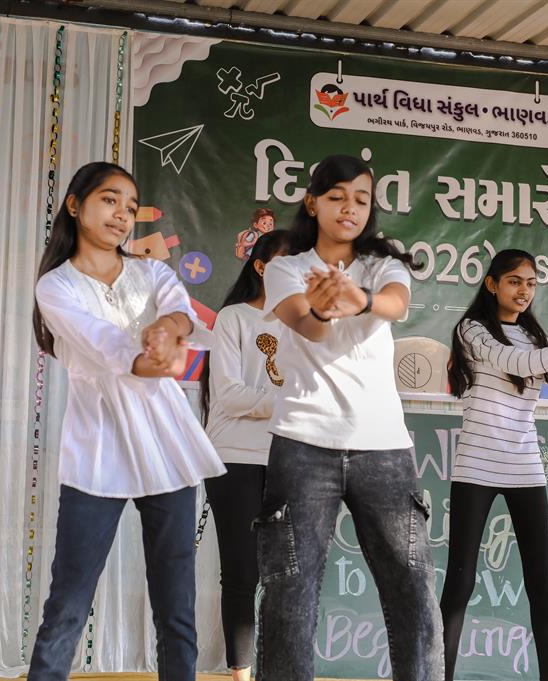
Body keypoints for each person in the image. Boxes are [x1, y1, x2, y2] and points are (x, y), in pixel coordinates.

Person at [29, 161, 224, 681]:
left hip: (166, 444)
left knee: (176, 603)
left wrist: (169, 328)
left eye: (131, 207)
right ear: (75, 205)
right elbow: (101, 341)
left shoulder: (152, 272)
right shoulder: (56, 286)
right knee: (69, 602)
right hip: (98, 450)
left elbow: (180, 309)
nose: (121, 215)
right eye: (110, 200)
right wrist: (146, 359)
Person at [256, 154, 442, 681]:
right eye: (337, 197)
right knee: (290, 591)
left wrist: (358, 299)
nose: (349, 208)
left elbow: (396, 304)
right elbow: (310, 329)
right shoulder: (287, 268)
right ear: (312, 202)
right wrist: (322, 305)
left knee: (412, 588)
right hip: (301, 443)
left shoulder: (384, 263)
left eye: (361, 199)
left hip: (383, 448)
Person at [442, 249, 548, 681]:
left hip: (525, 467)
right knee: (460, 582)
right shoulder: (472, 329)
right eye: (514, 281)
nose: (524, 290)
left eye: (531, 283)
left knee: (542, 584)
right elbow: (517, 363)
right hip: (476, 466)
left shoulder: (537, 339)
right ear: (492, 284)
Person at [199, 228, 289, 681]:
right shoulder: (234, 317)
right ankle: (241, 674)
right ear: (260, 266)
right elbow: (229, 395)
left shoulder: (307, 325)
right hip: (235, 457)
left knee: (288, 576)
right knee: (241, 572)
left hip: (290, 458)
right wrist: (290, 403)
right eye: (285, 261)